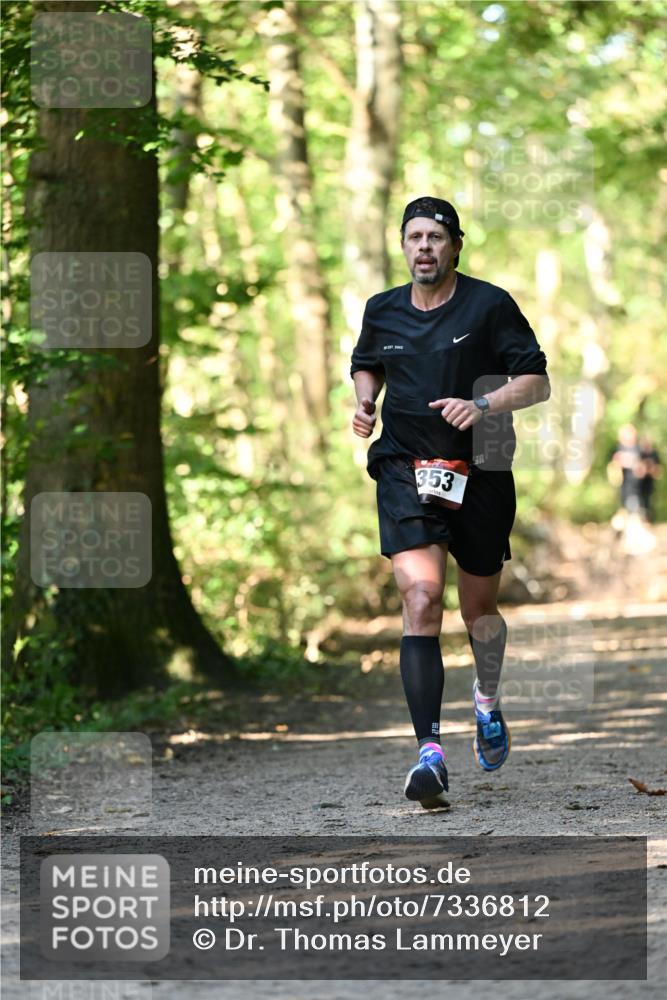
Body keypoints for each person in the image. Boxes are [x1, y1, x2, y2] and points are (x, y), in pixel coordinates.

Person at [350, 196, 550, 809]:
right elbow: (367, 364)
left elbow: (536, 381)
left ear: (456, 245)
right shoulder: (382, 309)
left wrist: (483, 404)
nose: (424, 247)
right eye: (414, 237)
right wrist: (365, 400)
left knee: (479, 611)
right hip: (405, 466)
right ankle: (430, 754)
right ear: (402, 245)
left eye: (435, 237)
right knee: (420, 597)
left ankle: (486, 699)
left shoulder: (489, 305)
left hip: (482, 466)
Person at [638, 435, 661, 523]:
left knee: (649, 502)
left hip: (650, 483)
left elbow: (658, 470)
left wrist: (651, 470)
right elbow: (638, 469)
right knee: (641, 502)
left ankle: (649, 520)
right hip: (640, 484)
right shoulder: (640, 454)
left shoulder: (654, 454)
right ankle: (643, 520)